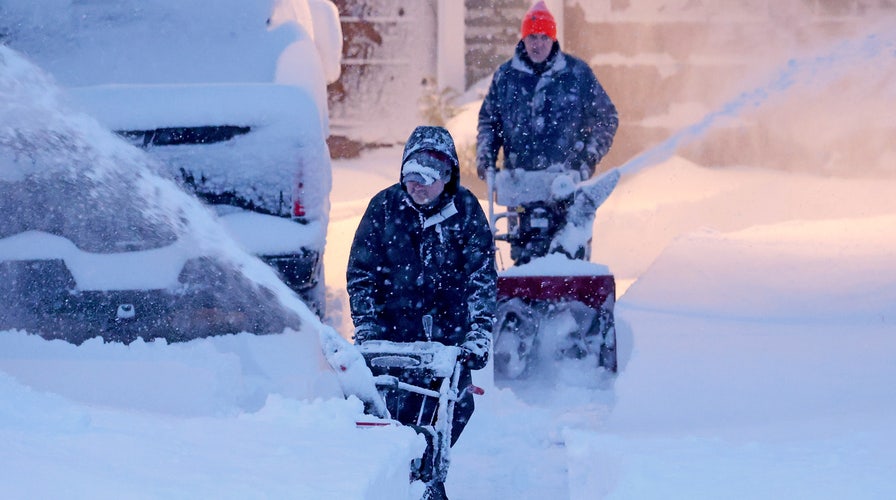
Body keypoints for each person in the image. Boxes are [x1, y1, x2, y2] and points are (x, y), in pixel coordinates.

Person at [347, 125, 497, 500]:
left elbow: (481, 278)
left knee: (455, 408)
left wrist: (478, 334)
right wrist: (368, 328)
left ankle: (426, 473)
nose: (417, 185)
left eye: (427, 178)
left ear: (447, 177)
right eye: (410, 175)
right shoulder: (384, 209)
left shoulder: (465, 212)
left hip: (448, 341)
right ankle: (402, 480)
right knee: (392, 416)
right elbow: (362, 274)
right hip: (392, 339)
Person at [477, 0, 619, 264]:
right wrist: (486, 159)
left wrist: (588, 158)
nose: (538, 44)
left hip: (566, 183)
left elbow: (607, 118)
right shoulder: (506, 77)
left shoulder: (577, 74)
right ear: (523, 38)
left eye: (544, 37)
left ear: (553, 39)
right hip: (520, 184)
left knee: (569, 256)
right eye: (532, 37)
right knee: (525, 261)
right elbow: (489, 122)